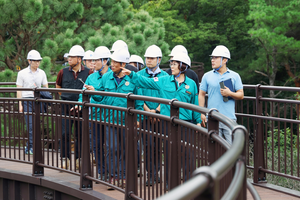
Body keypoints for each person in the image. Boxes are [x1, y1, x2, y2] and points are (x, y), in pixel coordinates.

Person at [121, 53, 202, 190]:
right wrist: (132, 74)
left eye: (175, 63)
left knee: (188, 155)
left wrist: (198, 121)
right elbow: (146, 82)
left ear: (183, 66)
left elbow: (195, 104)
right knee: (171, 154)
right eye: (171, 63)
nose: (172, 66)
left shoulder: (191, 84)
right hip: (168, 123)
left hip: (186, 123)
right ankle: (171, 185)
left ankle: (190, 186)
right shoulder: (164, 80)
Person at [86, 48, 143, 190]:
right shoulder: (107, 77)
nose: (112, 65)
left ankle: (123, 176)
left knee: (124, 149)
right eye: (112, 62)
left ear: (123, 64)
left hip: (126, 120)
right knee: (112, 148)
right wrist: (94, 92)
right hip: (110, 120)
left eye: (116, 62)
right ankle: (113, 176)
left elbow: (139, 102)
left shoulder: (133, 78)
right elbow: (101, 97)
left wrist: (138, 117)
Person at [56, 45, 93, 169]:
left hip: (81, 107)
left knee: (80, 134)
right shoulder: (63, 72)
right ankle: (64, 158)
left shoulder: (88, 72)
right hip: (66, 106)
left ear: (79, 59)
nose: (69, 59)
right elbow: (58, 86)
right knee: (64, 133)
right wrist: (66, 97)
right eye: (69, 57)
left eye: (72, 57)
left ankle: (79, 159)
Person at [77, 46, 111, 180]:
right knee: (97, 145)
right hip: (95, 116)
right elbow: (82, 93)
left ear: (105, 61)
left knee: (110, 146)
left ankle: (112, 172)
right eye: (93, 60)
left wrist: (95, 90)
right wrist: (79, 103)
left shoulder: (112, 76)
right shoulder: (91, 77)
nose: (93, 62)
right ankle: (103, 172)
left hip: (109, 116)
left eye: (96, 60)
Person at [199, 45, 244, 145]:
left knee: (231, 148)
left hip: (229, 118)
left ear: (224, 60)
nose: (212, 60)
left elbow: (241, 95)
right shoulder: (207, 76)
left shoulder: (234, 76)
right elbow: (201, 94)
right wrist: (202, 113)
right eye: (212, 58)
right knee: (213, 148)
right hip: (212, 117)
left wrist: (230, 93)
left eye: (216, 58)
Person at [137, 45, 168, 186]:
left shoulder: (166, 76)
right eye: (147, 58)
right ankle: (151, 174)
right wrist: (148, 111)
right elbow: (138, 95)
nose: (148, 60)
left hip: (161, 116)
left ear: (159, 59)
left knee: (160, 146)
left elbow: (168, 96)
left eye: (151, 58)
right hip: (145, 115)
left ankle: (161, 174)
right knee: (148, 146)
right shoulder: (140, 75)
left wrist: (157, 111)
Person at [16, 50, 48, 155]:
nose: (37, 63)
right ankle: (31, 147)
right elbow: (19, 89)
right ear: (29, 61)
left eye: (38, 61)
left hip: (38, 100)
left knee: (37, 125)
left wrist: (45, 100)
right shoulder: (22, 73)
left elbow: (46, 87)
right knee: (30, 125)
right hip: (27, 100)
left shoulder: (42, 72)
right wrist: (20, 104)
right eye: (35, 61)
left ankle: (30, 146)